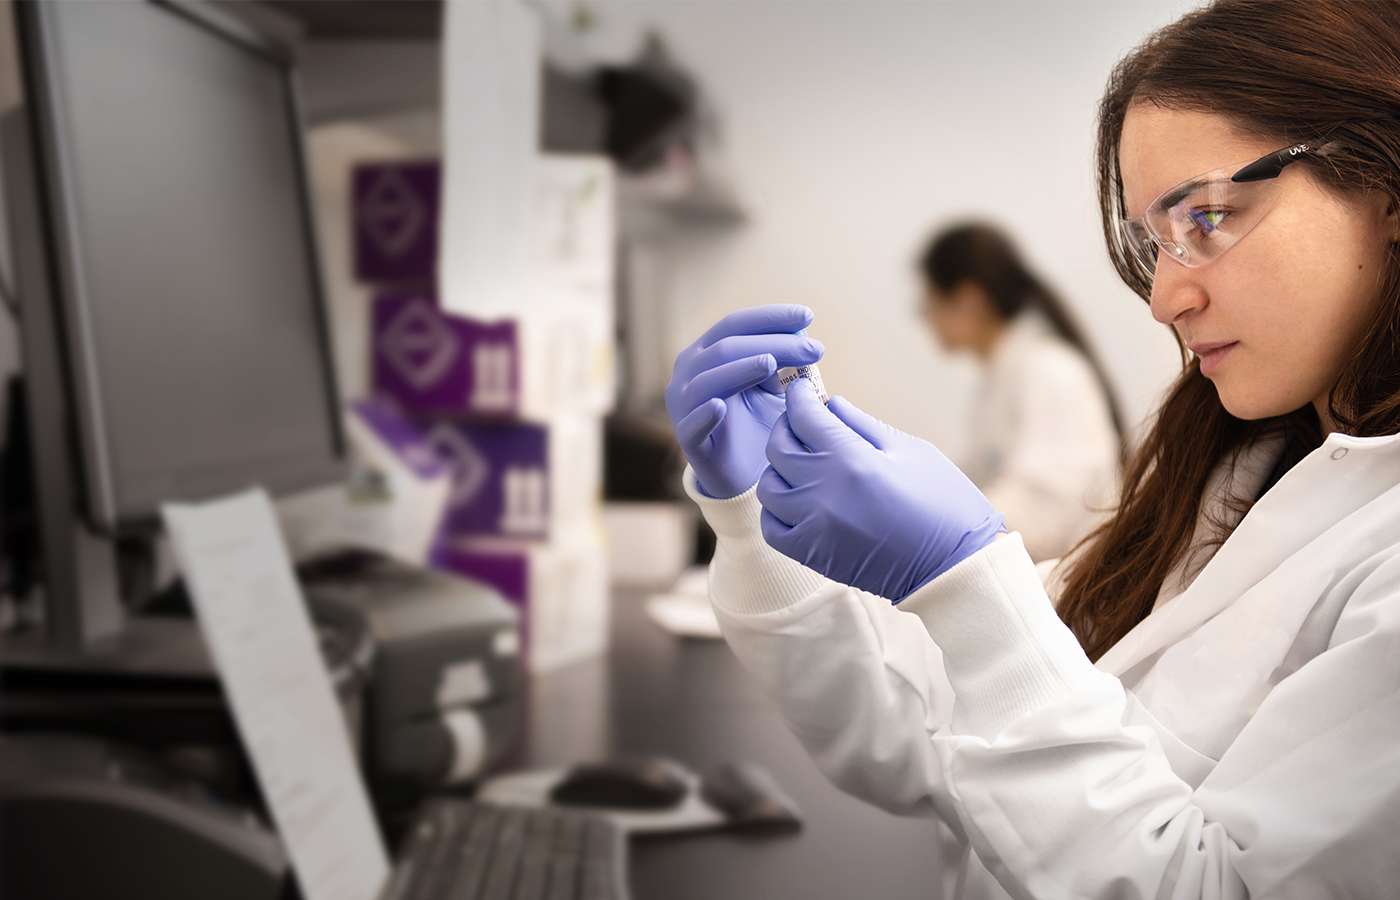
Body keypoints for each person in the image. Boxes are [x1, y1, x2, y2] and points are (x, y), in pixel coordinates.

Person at [663, 1, 1400, 897]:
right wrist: (750, 519)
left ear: (1385, 184)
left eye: (1206, 217)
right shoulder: (1236, 466)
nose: (1165, 297)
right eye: (1151, 242)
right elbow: (932, 726)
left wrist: (963, 566)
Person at [920, 223, 1121, 561]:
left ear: (967, 300)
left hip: (1077, 589)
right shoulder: (998, 384)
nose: (925, 316)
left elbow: (1050, 509)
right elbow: (973, 484)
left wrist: (936, 534)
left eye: (929, 301)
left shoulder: (1046, 370)